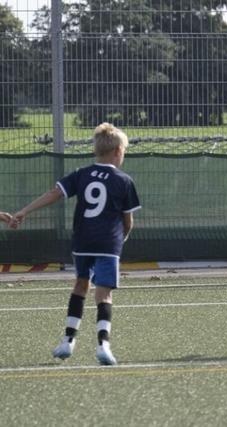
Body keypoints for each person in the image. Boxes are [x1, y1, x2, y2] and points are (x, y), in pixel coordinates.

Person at [11, 123, 141, 365]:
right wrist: (121, 239)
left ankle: (68, 341)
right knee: (104, 295)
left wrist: (24, 211)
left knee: (80, 286)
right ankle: (103, 345)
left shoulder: (81, 173)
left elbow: (54, 193)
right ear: (116, 152)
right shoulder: (124, 180)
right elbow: (128, 220)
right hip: (107, 244)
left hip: (82, 241)